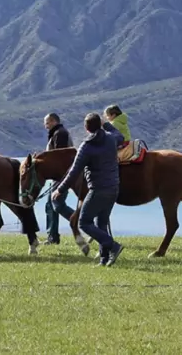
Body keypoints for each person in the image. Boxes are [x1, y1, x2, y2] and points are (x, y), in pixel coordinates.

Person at [51, 113, 124, 267]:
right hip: (113, 188)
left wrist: (60, 189)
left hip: (98, 189)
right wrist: (106, 124)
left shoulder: (86, 146)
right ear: (100, 124)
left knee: (84, 223)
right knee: (101, 223)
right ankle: (104, 259)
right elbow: (120, 136)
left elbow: (74, 171)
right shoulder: (111, 138)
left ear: (86, 128)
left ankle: (113, 246)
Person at [43, 113, 74, 245]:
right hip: (59, 175)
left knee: (57, 204)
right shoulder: (57, 133)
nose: (45, 126)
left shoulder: (60, 134)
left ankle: (82, 221)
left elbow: (59, 156)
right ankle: (52, 236)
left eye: (47, 122)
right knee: (50, 205)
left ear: (54, 121)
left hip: (61, 175)